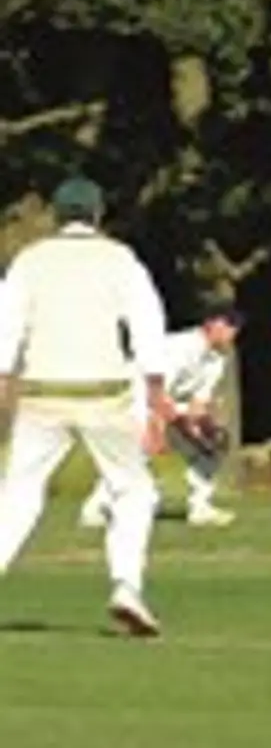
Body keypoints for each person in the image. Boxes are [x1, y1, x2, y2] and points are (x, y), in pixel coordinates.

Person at [0, 175, 174, 637]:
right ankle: (126, 586)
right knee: (134, 490)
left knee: (18, 494)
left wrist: (2, 378)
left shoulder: (30, 260)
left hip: (41, 392)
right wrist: (156, 388)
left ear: (56, 217)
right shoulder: (118, 259)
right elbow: (147, 322)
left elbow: (7, 322)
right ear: (98, 215)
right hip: (104, 394)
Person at [79, 306, 244, 529]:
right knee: (136, 454)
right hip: (134, 396)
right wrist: (156, 430)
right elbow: (155, 390)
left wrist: (202, 428)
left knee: (209, 450)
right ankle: (95, 509)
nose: (232, 333)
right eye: (228, 325)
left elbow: (198, 403)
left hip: (168, 401)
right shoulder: (181, 347)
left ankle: (200, 507)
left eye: (236, 328)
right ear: (211, 324)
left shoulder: (216, 359)